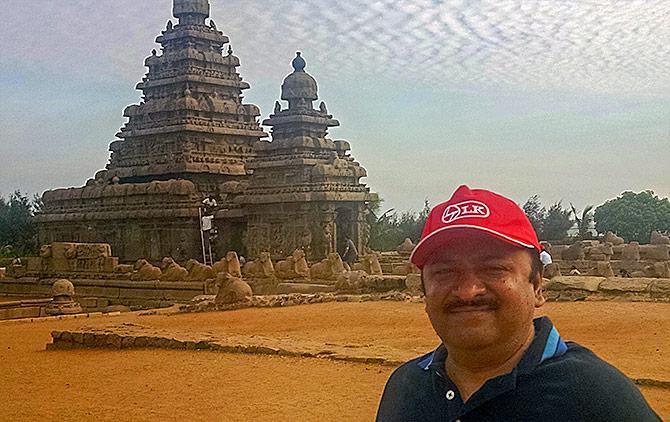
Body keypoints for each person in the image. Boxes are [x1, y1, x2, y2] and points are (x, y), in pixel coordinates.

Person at [376, 185, 659, 421]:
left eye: (494, 269)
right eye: (445, 272)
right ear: (424, 290)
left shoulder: (596, 397)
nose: (467, 291)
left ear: (537, 285)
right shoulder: (406, 387)